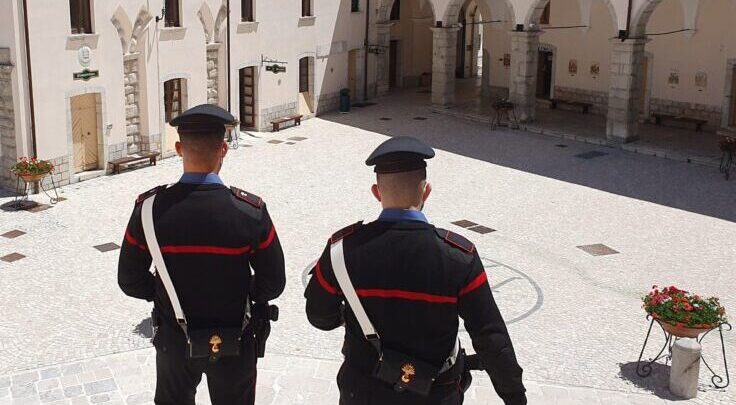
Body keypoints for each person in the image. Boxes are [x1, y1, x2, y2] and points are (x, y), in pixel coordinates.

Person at [304, 136, 526, 405]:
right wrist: (513, 394)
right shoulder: (459, 257)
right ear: (426, 191)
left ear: (376, 192)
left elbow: (318, 315)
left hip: (362, 391)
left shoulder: (342, 250)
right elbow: (490, 336)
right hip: (435, 393)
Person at [118, 104, 286, 405]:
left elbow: (129, 280)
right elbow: (272, 284)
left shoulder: (149, 210)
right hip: (237, 335)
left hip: (174, 338)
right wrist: (238, 293)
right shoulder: (250, 211)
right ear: (224, 149)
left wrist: (166, 296)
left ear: (179, 148)